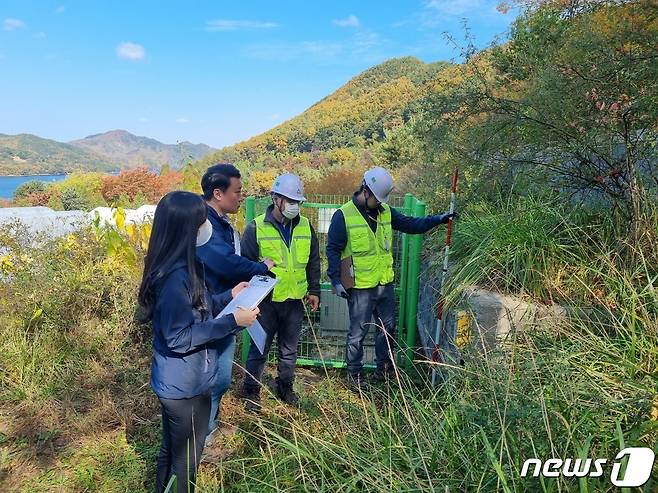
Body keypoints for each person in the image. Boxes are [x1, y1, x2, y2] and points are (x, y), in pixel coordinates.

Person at [137, 191, 259, 493]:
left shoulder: (182, 265)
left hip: (185, 380)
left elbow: (198, 308)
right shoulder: (173, 278)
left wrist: (227, 297)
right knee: (186, 462)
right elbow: (179, 337)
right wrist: (232, 321)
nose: (207, 226)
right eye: (202, 221)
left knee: (173, 452)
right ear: (187, 228)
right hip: (184, 386)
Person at [326, 167, 455, 390]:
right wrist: (336, 280)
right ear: (365, 190)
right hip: (359, 288)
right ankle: (354, 375)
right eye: (376, 197)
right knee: (358, 333)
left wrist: (438, 220)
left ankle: (384, 370)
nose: (379, 202)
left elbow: (412, 224)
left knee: (387, 329)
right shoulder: (343, 216)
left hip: (384, 285)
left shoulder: (386, 212)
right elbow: (333, 250)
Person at [196, 164, 275, 435]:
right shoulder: (204, 224)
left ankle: (209, 429)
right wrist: (261, 268)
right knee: (210, 378)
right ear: (218, 193)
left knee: (220, 378)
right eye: (237, 192)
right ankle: (203, 438)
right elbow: (225, 262)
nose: (241, 197)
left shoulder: (219, 221)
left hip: (225, 305)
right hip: (210, 310)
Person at [239, 173, 321, 410]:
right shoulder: (256, 227)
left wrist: (314, 289)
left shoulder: (306, 226)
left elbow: (313, 260)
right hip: (266, 301)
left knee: (289, 350)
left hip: (294, 300)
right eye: (289, 200)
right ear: (275, 199)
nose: (294, 206)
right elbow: (245, 264)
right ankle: (251, 391)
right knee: (259, 348)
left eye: (298, 201)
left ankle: (285, 388)